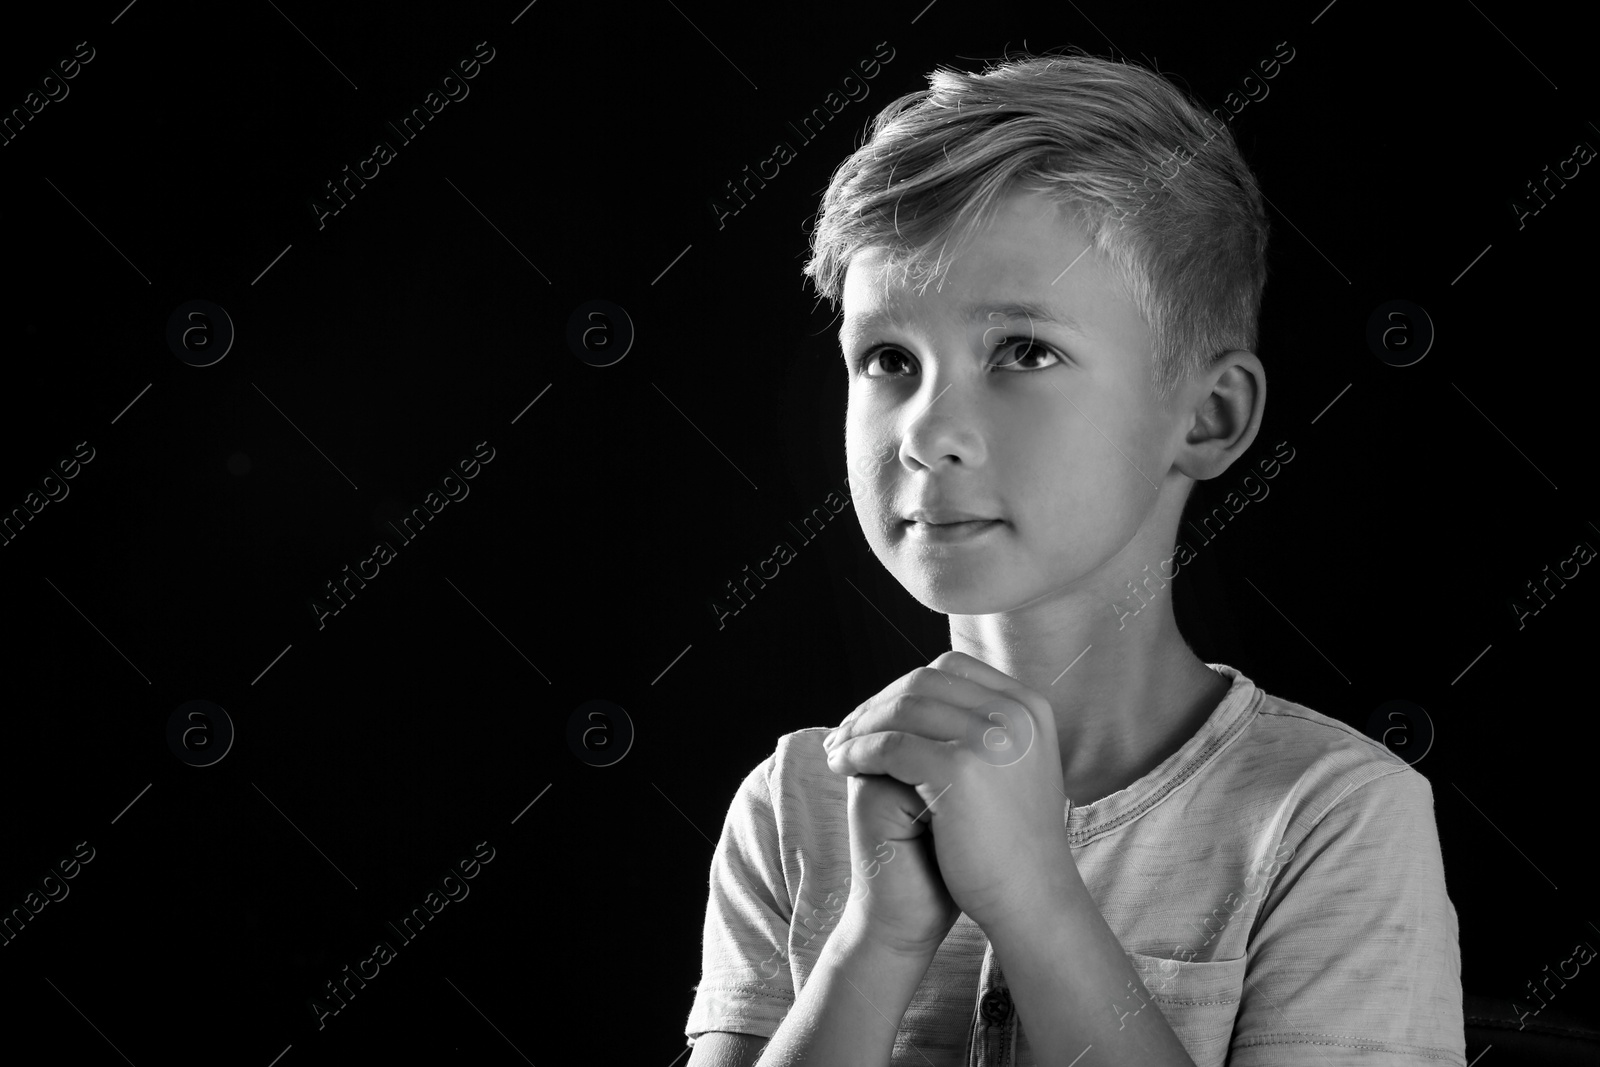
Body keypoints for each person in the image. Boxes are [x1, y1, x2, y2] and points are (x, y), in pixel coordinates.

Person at [684, 48, 1464, 1067]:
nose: (926, 430)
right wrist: (874, 941)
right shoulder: (795, 802)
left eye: (1023, 351)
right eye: (888, 360)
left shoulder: (1332, 815)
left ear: (1209, 415)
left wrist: (1034, 898)